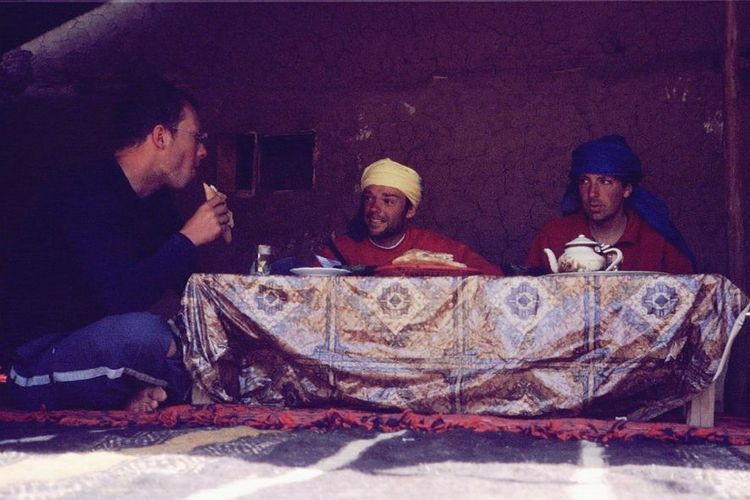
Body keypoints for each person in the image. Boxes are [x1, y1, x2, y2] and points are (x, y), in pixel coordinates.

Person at [0, 77, 231, 412]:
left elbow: (189, 295)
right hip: (35, 361)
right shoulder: (85, 193)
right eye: (197, 137)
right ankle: (177, 384)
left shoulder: (158, 204)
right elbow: (118, 297)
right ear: (161, 136)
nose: (203, 151)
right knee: (146, 334)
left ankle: (135, 391)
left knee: (197, 338)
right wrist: (187, 239)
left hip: (102, 351)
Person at [525, 135, 694, 274]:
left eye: (605, 182)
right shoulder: (552, 235)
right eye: (585, 181)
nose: (592, 193)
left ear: (626, 189)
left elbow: (689, 301)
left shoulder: (658, 241)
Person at [320, 158, 502, 275]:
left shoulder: (437, 247)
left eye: (388, 201)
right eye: (369, 198)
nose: (374, 208)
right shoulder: (341, 250)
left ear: (410, 210)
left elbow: (493, 277)